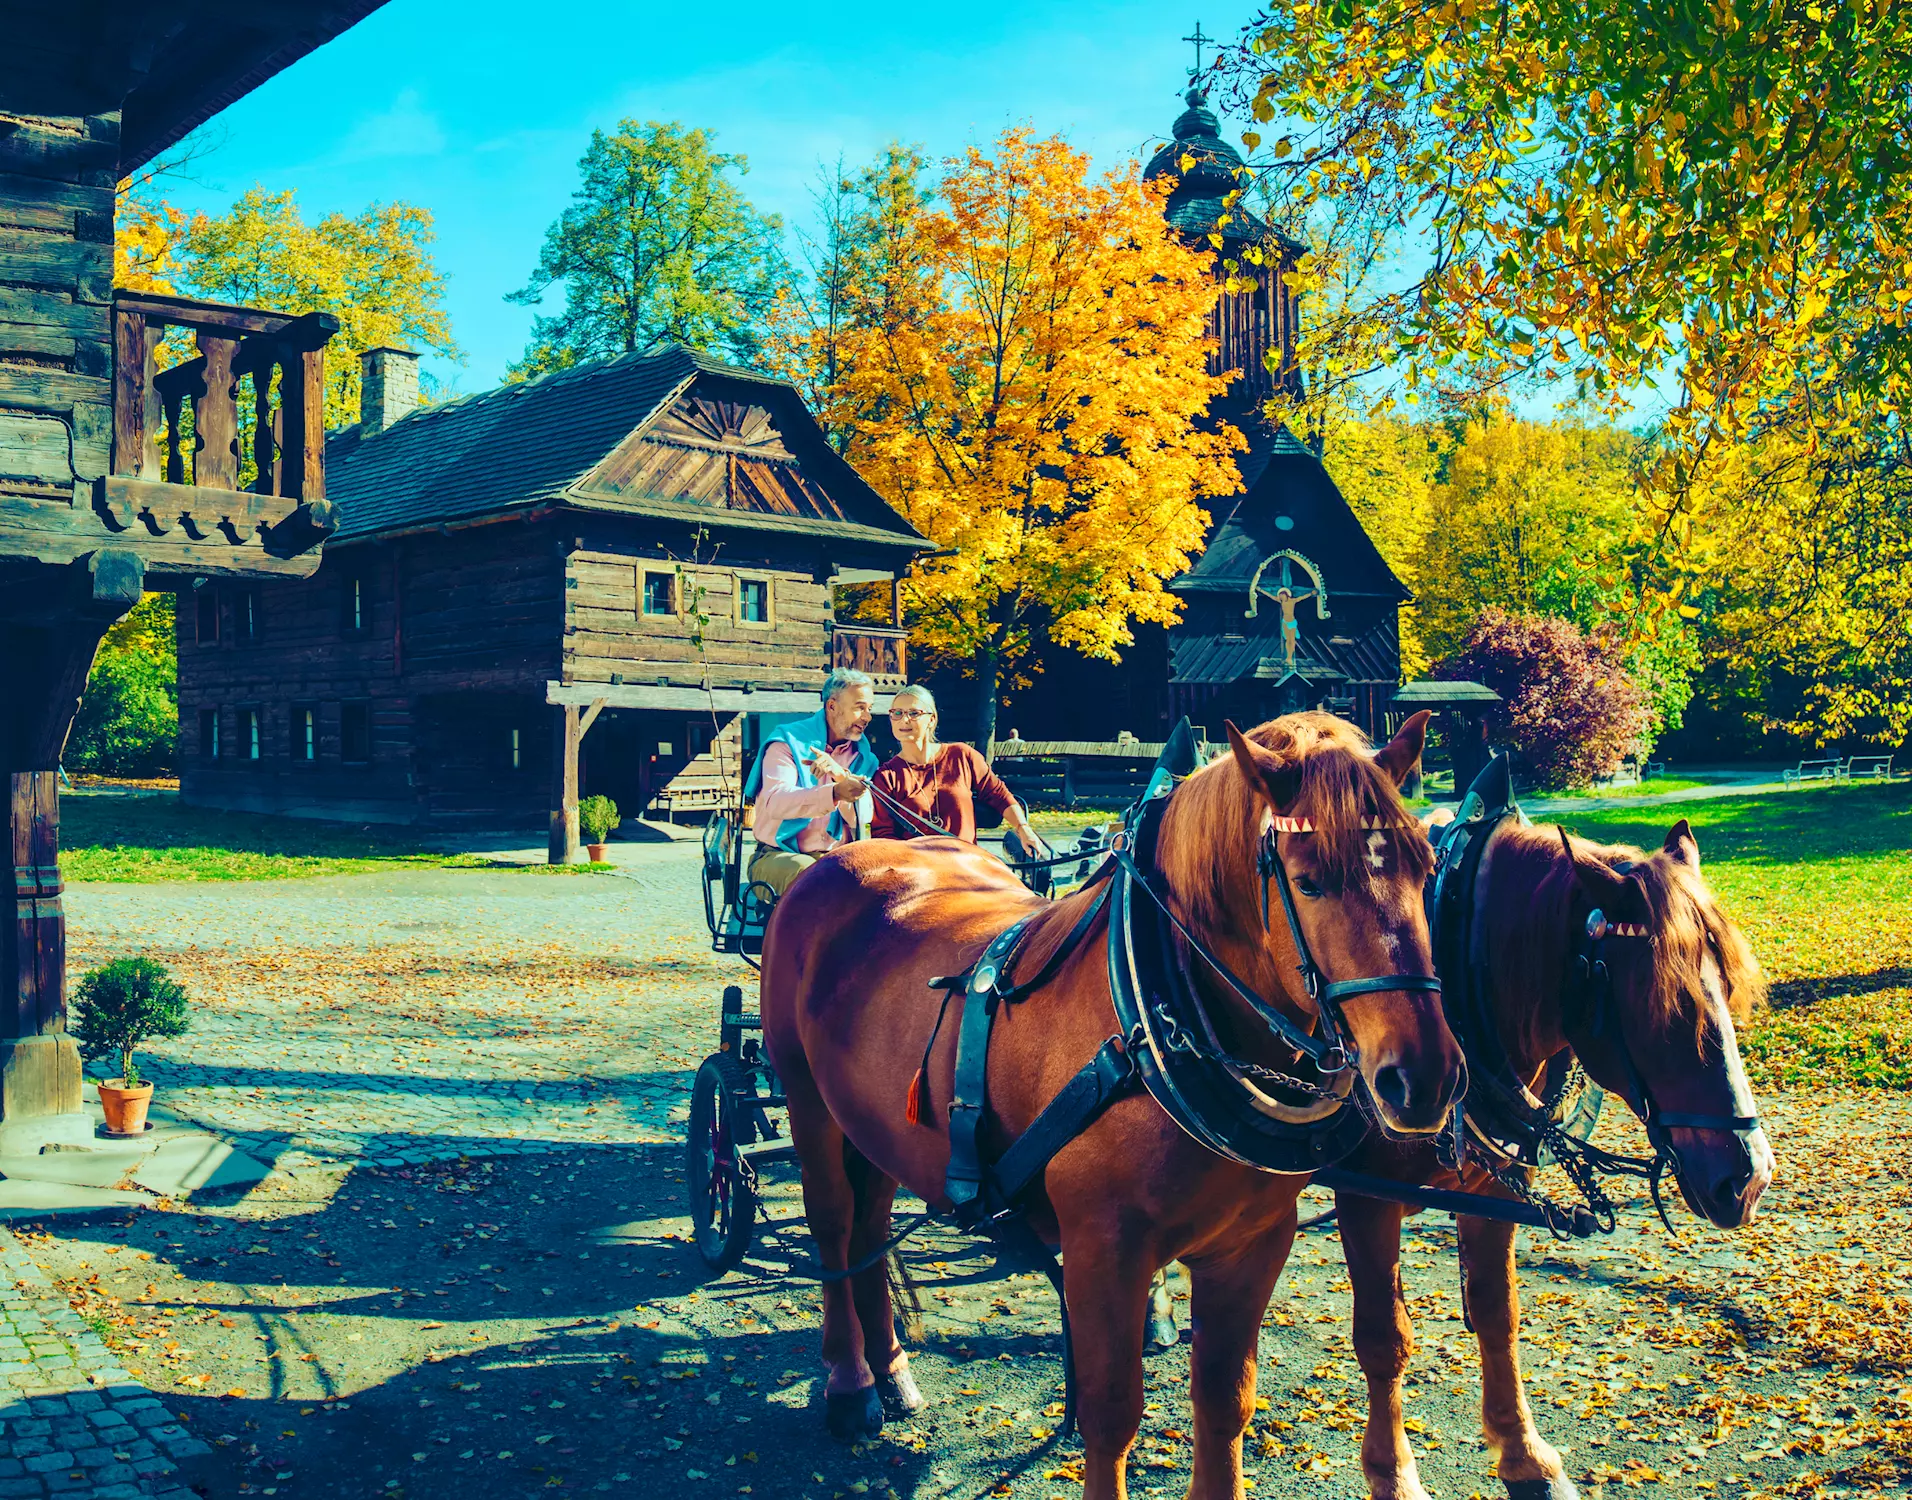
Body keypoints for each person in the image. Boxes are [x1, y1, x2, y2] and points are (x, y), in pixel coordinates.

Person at [869, 684, 1051, 857]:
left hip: (967, 864)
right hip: (918, 872)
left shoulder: (961, 755)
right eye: (897, 713)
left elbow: (999, 795)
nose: (904, 719)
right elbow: (883, 836)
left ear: (931, 719)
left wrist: (1023, 829)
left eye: (914, 713)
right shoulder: (887, 776)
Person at [745, 668, 878, 898]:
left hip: (836, 860)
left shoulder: (865, 757)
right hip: (777, 856)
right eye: (859, 707)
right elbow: (776, 803)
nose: (867, 717)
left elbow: (863, 819)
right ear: (832, 706)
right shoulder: (787, 743)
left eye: (869, 709)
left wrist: (840, 778)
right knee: (812, 877)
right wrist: (834, 793)